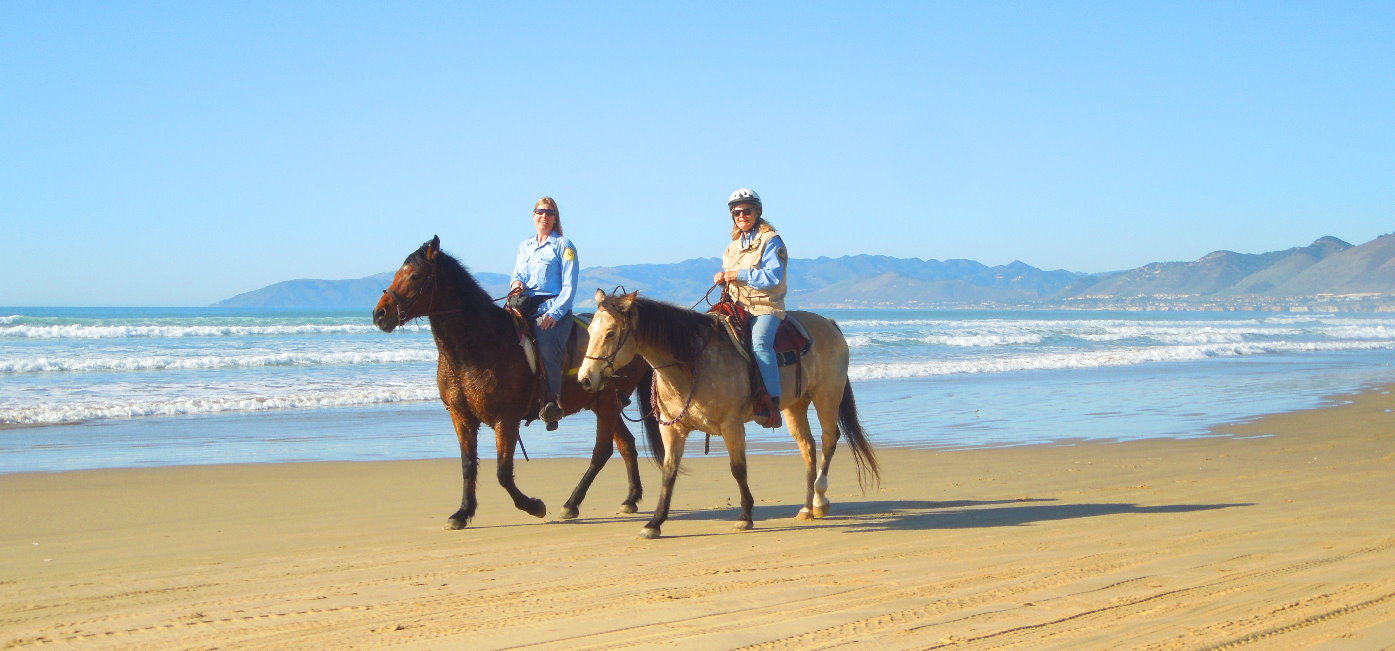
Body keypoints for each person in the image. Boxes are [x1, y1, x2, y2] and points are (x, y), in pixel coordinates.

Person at [712, 187, 788, 428]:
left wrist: (739, 274)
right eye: (736, 213)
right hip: (736, 305)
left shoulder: (771, 240)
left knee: (759, 344)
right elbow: (730, 273)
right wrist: (723, 276)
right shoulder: (732, 246)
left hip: (765, 306)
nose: (741, 216)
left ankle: (772, 404)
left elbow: (773, 277)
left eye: (746, 211)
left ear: (758, 211)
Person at [510, 196, 578, 424]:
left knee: (547, 345)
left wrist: (554, 314)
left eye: (549, 213)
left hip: (553, 307)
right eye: (540, 212)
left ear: (555, 218)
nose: (544, 217)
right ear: (533, 215)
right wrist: (516, 285)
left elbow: (569, 287)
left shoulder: (564, 246)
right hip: (525, 304)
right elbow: (517, 274)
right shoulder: (525, 246)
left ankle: (552, 402)